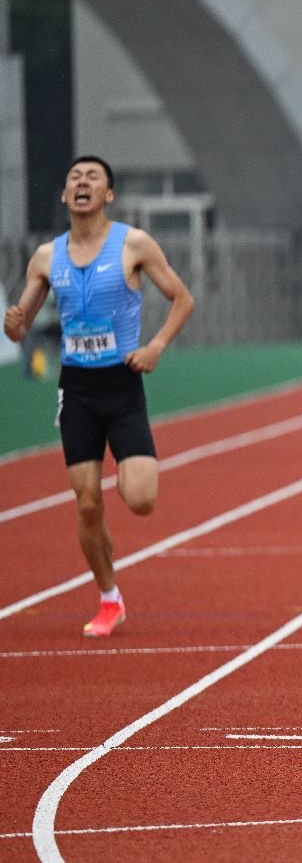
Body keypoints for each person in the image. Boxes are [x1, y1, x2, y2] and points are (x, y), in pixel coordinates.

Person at [3, 155, 196, 638]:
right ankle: (110, 599)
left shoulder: (133, 244)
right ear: (66, 196)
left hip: (122, 384)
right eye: (75, 177)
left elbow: (183, 299)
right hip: (78, 390)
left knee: (141, 499)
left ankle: (121, 483)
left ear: (108, 195)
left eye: (92, 177)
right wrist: (14, 324)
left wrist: (155, 346)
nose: (82, 182)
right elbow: (20, 327)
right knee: (87, 504)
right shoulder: (46, 257)